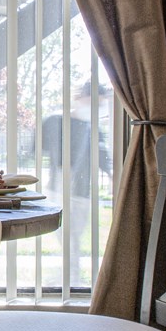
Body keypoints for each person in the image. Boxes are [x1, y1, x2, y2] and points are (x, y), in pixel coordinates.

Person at [41, 83, 112, 282]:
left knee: (74, 235)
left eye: (100, 104)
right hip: (57, 188)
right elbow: (39, 148)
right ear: (81, 97)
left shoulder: (92, 128)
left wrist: (113, 177)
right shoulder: (55, 121)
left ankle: (71, 276)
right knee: (64, 233)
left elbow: (103, 157)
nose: (97, 107)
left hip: (81, 191)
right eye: (94, 102)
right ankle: (70, 275)